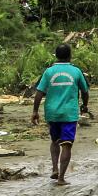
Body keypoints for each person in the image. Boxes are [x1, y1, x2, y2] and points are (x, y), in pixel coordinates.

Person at [31, 44, 90, 185]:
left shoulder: (49, 72)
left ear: (56, 55)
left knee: (55, 141)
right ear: (70, 55)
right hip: (69, 113)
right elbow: (85, 91)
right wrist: (85, 105)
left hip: (52, 113)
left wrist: (35, 111)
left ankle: (54, 168)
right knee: (67, 145)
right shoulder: (76, 71)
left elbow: (39, 92)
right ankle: (61, 178)